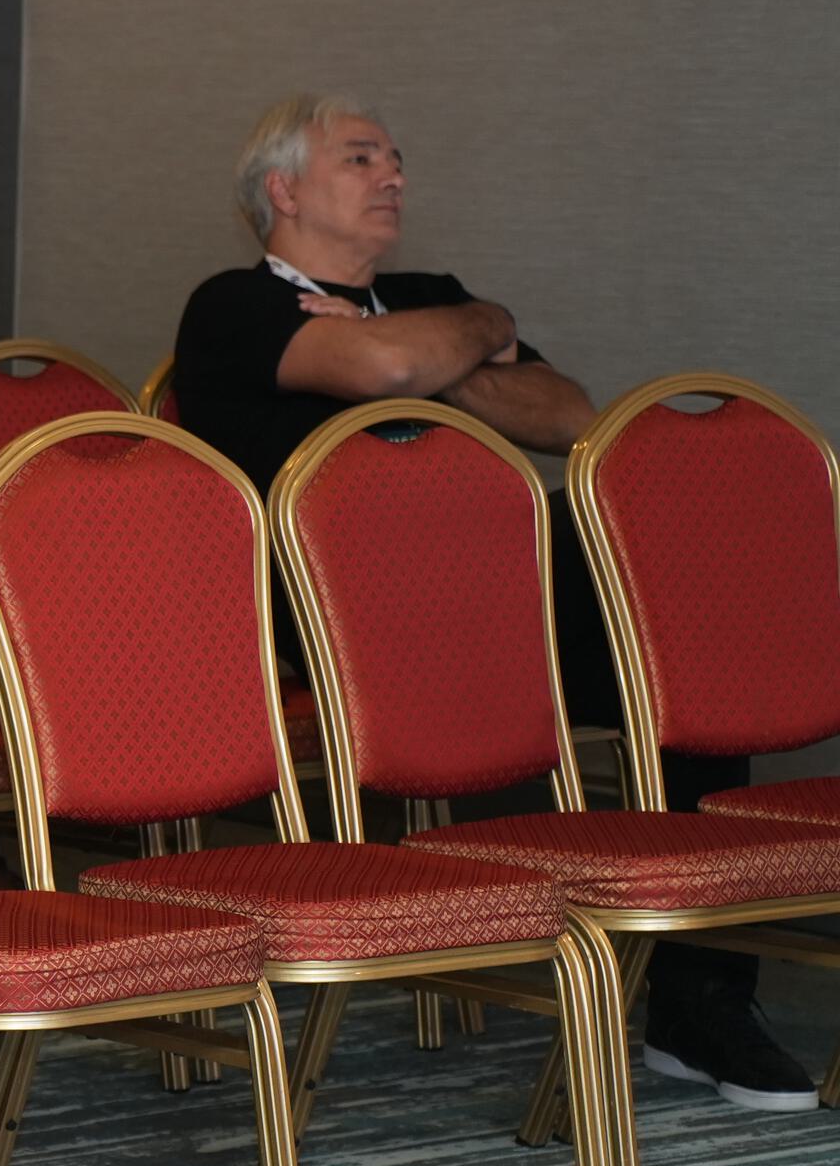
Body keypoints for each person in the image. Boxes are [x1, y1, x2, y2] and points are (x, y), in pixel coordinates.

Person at [171, 95, 814, 1108]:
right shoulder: (232, 307)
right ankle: (691, 991)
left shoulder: (430, 297)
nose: (394, 175)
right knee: (652, 607)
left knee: (677, 623)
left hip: (489, 597)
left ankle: (702, 1004)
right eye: (361, 157)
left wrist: (467, 332)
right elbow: (386, 364)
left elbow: (570, 419)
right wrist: (457, 346)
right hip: (345, 615)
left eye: (396, 158)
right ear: (283, 190)